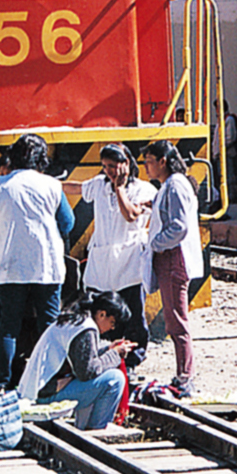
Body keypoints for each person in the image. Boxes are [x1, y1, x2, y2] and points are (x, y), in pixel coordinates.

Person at [0, 134, 75, 387]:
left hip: (11, 267)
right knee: (49, 326)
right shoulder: (52, 186)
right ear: (41, 160)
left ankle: (0, 383)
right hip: (47, 266)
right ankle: (51, 381)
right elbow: (68, 223)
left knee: (8, 327)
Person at [81, 144, 156, 368]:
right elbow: (75, 187)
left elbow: (130, 215)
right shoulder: (99, 184)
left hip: (129, 263)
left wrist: (119, 188)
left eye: (113, 166)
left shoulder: (145, 190)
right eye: (105, 166)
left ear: (127, 164)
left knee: (133, 316)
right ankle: (105, 356)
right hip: (102, 263)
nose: (109, 171)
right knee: (102, 314)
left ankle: (132, 360)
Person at [18, 290, 133, 430]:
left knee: (106, 375)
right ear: (102, 314)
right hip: (45, 394)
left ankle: (87, 427)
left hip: (38, 390)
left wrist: (108, 348)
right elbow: (87, 372)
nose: (112, 328)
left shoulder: (79, 320)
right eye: (112, 322)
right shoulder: (87, 328)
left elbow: (82, 356)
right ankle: (97, 430)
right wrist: (115, 354)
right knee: (115, 379)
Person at [142, 139, 204, 398]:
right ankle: (183, 374)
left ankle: (185, 376)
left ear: (162, 162)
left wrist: (154, 243)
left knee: (177, 319)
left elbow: (179, 227)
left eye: (149, 162)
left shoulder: (175, 185)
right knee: (173, 317)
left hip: (173, 257)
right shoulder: (170, 185)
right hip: (168, 257)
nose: (146, 168)